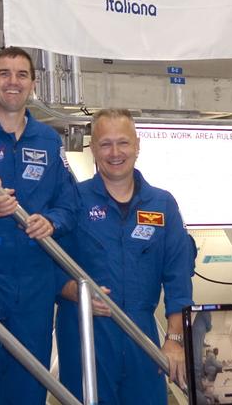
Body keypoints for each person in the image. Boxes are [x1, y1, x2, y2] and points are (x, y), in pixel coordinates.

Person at [0, 47, 79, 404]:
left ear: (33, 85)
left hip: (35, 278)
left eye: (22, 74)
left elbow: (70, 205)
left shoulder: (49, 141)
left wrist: (51, 222)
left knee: (30, 373)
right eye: (5, 73)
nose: (13, 81)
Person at [56, 108, 195, 404]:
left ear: (137, 145)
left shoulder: (162, 205)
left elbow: (178, 278)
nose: (115, 152)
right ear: (92, 148)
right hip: (84, 333)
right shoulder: (72, 201)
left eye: (123, 142)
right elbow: (45, 265)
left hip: (141, 333)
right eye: (105, 144)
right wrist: (72, 292)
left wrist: (175, 340)